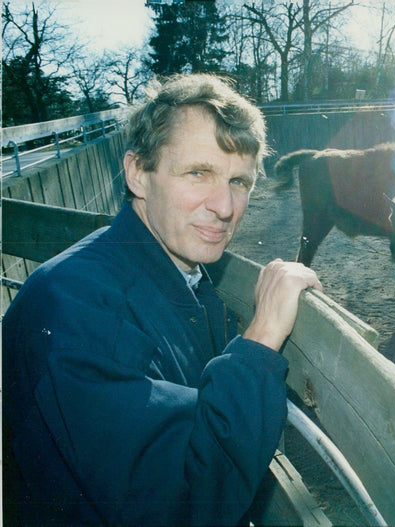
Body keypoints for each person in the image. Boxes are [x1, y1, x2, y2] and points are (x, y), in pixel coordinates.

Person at [2, 73, 322, 525]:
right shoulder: (76, 311)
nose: (226, 207)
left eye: (240, 182)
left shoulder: (159, 268)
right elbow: (185, 501)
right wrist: (262, 338)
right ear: (138, 173)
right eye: (198, 173)